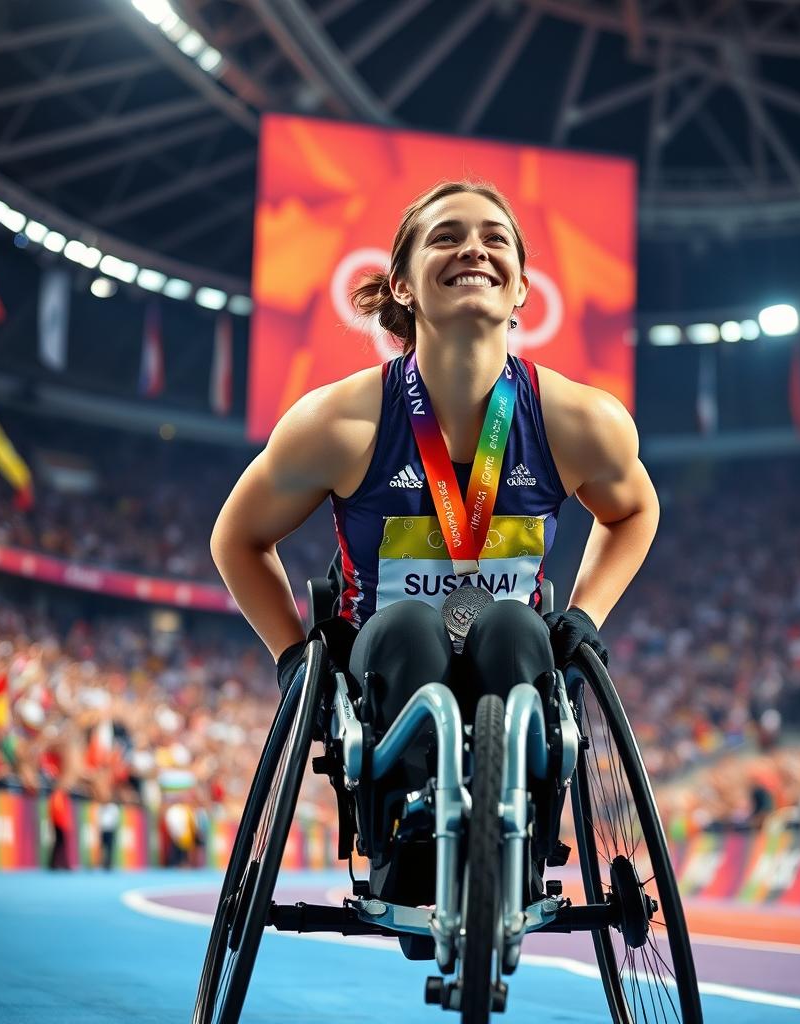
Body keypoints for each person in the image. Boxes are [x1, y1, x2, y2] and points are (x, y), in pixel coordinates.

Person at [210, 179, 660, 909]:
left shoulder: (580, 421)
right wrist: (295, 658)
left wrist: (589, 612)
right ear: (404, 285)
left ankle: (522, 833)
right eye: (446, 237)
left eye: (494, 238)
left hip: (509, 661)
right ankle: (403, 832)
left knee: (517, 624)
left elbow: (635, 510)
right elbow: (237, 537)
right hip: (384, 670)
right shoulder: (339, 422)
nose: (473, 249)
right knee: (411, 627)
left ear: (520, 289)